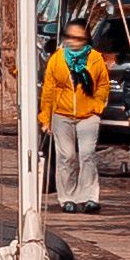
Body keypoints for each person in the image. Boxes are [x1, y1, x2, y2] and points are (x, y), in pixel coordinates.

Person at [37, 14, 112, 211]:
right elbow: (48, 89)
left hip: (88, 114)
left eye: (78, 38)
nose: (73, 41)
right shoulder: (57, 59)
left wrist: (97, 106)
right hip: (62, 113)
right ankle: (67, 197)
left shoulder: (95, 59)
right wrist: (45, 118)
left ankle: (89, 196)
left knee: (87, 154)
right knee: (66, 156)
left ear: (86, 39)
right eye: (69, 37)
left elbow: (103, 84)